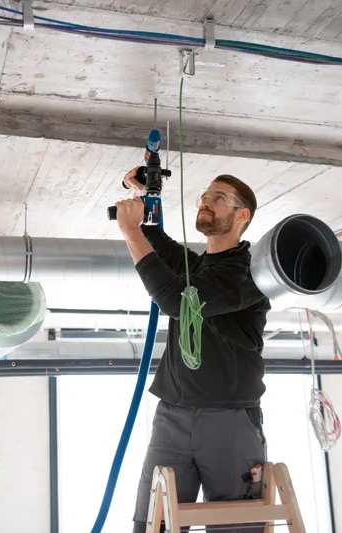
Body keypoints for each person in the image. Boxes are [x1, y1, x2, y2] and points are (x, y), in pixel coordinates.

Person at [114, 168, 271, 533]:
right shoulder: (199, 266)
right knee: (153, 524)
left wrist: (129, 231)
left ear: (242, 215)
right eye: (205, 195)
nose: (205, 201)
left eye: (218, 198)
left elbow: (176, 302)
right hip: (172, 416)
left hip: (229, 419)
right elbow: (154, 239)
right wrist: (145, 194)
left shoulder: (248, 273)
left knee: (236, 528)